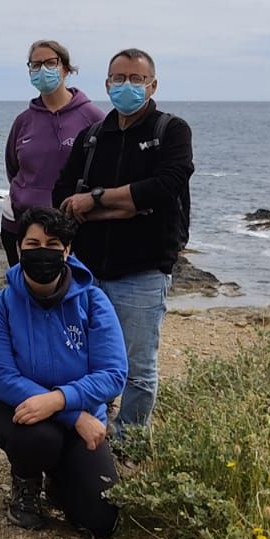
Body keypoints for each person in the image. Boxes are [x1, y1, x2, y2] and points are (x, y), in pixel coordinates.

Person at [52, 48, 194, 432]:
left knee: (138, 366)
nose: (126, 85)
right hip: (88, 270)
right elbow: (62, 197)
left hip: (144, 270)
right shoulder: (93, 136)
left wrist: (95, 200)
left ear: (152, 85)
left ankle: (129, 440)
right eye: (119, 78)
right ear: (107, 83)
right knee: (84, 359)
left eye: (136, 79)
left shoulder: (171, 130)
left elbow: (166, 186)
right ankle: (89, 430)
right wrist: (128, 206)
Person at [0, 207, 126, 537]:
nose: (42, 252)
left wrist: (60, 401)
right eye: (33, 244)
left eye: (53, 244)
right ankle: (26, 487)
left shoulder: (93, 301)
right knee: (40, 437)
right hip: (19, 410)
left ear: (68, 251)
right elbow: (1, 378)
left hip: (79, 412)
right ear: (18, 249)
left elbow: (114, 373)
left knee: (100, 522)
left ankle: (61, 479)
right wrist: (72, 416)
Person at [0, 40, 106, 265]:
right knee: (22, 291)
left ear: (65, 69)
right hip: (21, 224)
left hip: (70, 227)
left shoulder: (92, 117)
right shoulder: (23, 121)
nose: (42, 70)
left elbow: (105, 171)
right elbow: (13, 168)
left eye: (50, 63)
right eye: (35, 65)